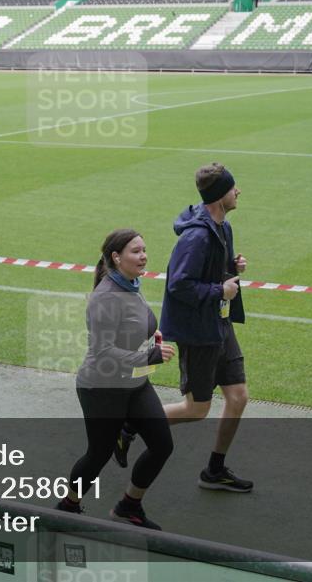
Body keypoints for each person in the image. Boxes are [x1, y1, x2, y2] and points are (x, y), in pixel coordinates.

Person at [115, 163, 253, 492]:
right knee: (197, 409)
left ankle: (214, 470)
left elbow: (211, 272)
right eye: (234, 188)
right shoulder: (195, 238)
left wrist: (231, 268)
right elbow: (179, 285)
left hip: (219, 325)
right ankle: (130, 423)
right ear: (220, 196)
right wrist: (221, 290)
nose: (239, 192)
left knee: (238, 397)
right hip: (198, 332)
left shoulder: (223, 228)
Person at [56, 229, 175, 529]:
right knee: (98, 455)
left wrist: (151, 337)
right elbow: (103, 351)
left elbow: (133, 326)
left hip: (135, 384)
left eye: (144, 249)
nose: (144, 255)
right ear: (116, 257)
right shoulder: (105, 297)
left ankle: (129, 506)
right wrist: (149, 357)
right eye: (136, 251)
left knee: (162, 445)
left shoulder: (133, 283)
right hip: (102, 388)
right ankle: (67, 507)